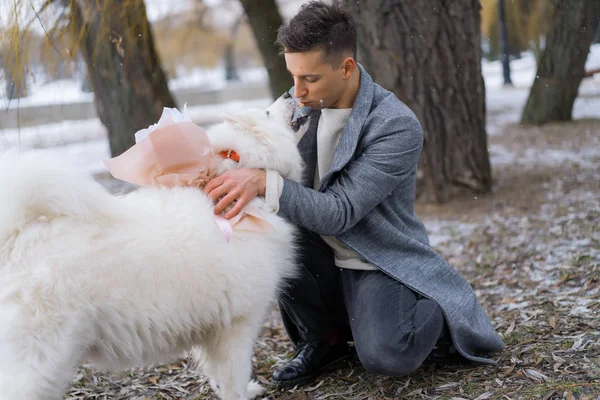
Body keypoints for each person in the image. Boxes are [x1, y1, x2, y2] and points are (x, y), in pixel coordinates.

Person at [203, 0, 504, 388]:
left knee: (386, 357)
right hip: (317, 250)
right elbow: (254, 149)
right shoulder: (296, 104)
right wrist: (209, 162)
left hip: (372, 256)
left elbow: (341, 212)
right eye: (292, 76)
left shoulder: (395, 125)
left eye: (309, 78)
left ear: (346, 68)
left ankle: (438, 314)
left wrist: (262, 180)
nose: (297, 91)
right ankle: (324, 341)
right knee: (271, 232)